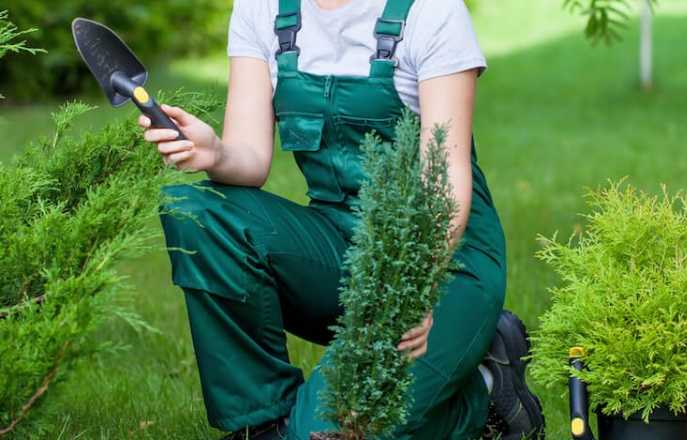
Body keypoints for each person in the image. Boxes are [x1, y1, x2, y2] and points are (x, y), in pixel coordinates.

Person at [137, 0, 545, 438]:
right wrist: (215, 153)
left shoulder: (431, 12)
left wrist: (411, 289)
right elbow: (250, 157)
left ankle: (486, 394)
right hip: (341, 246)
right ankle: (263, 423)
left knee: (339, 429)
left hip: (443, 265)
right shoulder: (262, 8)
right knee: (198, 213)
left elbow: (443, 183)